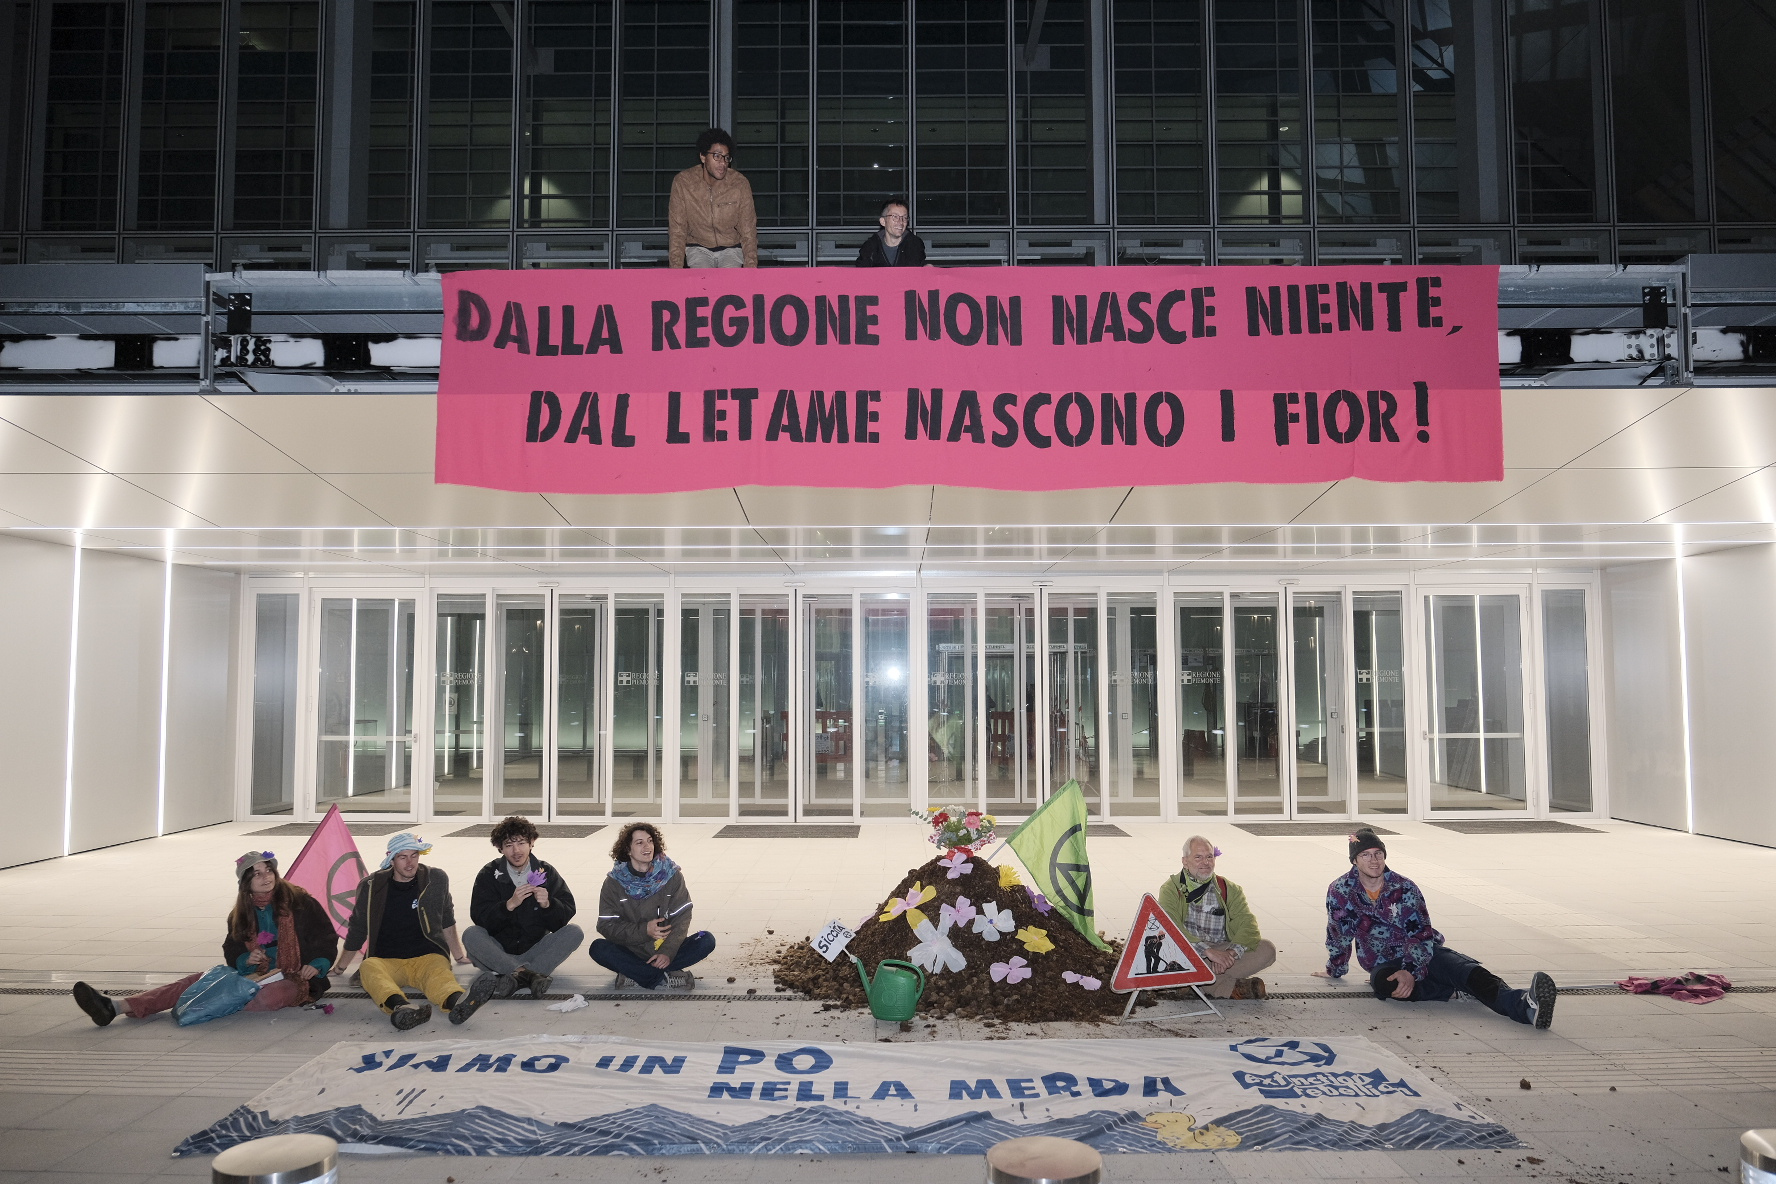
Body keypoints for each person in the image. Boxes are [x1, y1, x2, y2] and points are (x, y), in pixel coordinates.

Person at [1315, 828, 1556, 1029]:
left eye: (1378, 853)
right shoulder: (1341, 890)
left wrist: (1410, 970)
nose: (1374, 860)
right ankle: (1450, 991)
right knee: (1383, 985)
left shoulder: (1405, 887)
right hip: (1382, 961)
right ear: (1354, 860)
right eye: (1366, 855)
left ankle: (1525, 1006)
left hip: (1424, 952)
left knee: (1465, 971)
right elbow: (1338, 932)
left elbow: (1420, 932)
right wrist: (1335, 968)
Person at [72, 851, 337, 1026]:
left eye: (268, 871)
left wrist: (318, 963)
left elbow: (326, 935)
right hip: (253, 975)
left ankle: (200, 1003)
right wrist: (247, 958)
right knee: (196, 981)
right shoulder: (241, 913)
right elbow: (232, 948)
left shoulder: (300, 902)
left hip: (297, 978)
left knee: (267, 999)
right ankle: (116, 1006)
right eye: (257, 873)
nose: (265, 877)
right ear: (246, 882)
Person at [335, 832, 498, 1030]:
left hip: (427, 956)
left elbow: (446, 918)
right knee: (369, 968)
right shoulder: (371, 887)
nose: (410, 863)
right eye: (403, 857)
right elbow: (358, 928)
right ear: (392, 860)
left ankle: (458, 1004)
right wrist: (340, 967)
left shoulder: (435, 879)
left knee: (440, 976)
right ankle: (402, 1008)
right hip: (387, 960)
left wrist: (458, 955)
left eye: (414, 855)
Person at [465, 815, 582, 999]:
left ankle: (513, 974)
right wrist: (508, 906)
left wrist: (548, 904)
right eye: (509, 845)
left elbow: (563, 919)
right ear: (500, 848)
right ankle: (530, 975)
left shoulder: (546, 872)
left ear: (532, 842)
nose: (516, 850)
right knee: (471, 934)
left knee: (575, 932)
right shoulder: (489, 874)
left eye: (521, 843)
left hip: (534, 950)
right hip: (499, 950)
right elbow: (480, 919)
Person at [590, 823, 716, 991]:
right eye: (639, 842)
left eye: (650, 841)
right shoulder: (613, 883)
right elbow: (606, 925)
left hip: (667, 947)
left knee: (705, 939)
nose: (647, 846)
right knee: (598, 948)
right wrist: (644, 931)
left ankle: (635, 974)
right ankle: (664, 977)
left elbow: (682, 917)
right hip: (631, 950)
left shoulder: (671, 875)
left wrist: (667, 952)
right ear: (628, 850)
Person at [1157, 835, 1277, 1000]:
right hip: (1188, 953)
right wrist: (1207, 951)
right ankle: (1231, 987)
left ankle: (1194, 983)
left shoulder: (1229, 889)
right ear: (1185, 861)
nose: (1205, 862)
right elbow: (1169, 926)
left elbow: (1248, 925)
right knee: (1170, 960)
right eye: (1198, 857)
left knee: (1267, 949)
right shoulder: (1171, 889)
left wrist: (1229, 953)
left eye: (1209, 857)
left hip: (1222, 951)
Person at [668, 128, 757, 269]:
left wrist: (751, 269)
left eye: (726, 157)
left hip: (731, 248)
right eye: (717, 156)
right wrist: (675, 270)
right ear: (703, 157)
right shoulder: (683, 183)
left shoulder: (739, 183)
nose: (723, 163)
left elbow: (748, 230)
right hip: (697, 247)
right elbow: (677, 230)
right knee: (703, 283)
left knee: (729, 284)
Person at [855, 196, 926, 267]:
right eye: (895, 217)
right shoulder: (871, 247)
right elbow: (861, 273)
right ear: (883, 221)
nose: (901, 222)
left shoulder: (914, 245)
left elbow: (916, 272)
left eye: (904, 218)